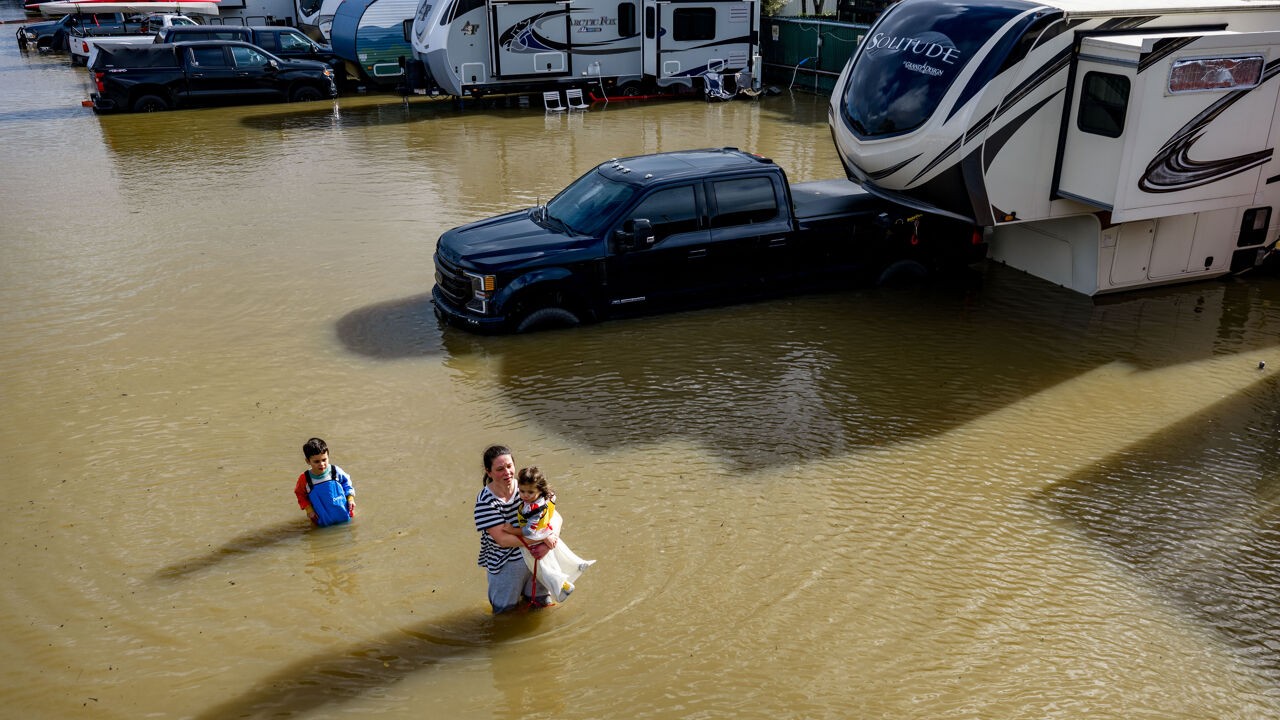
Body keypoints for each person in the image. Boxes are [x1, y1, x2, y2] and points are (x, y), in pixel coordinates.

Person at [474, 444, 559, 612]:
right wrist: (543, 538)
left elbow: (555, 516)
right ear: (488, 472)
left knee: (542, 607)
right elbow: (503, 540)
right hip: (506, 564)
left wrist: (550, 543)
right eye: (500, 469)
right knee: (505, 615)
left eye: (509, 466)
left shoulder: (528, 486)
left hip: (536, 556)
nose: (507, 472)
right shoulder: (485, 502)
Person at [514, 466, 594, 603]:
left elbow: (528, 531)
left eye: (530, 492)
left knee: (544, 568)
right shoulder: (544, 499)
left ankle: (563, 585)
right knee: (557, 552)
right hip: (546, 532)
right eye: (522, 491)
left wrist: (510, 530)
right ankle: (576, 564)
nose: (525, 495)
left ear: (540, 490)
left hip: (537, 537)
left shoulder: (535, 509)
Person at [293, 437, 355, 527]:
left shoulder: (335, 471)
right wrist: (309, 510)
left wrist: (350, 499)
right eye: (316, 461)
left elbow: (347, 484)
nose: (321, 464)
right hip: (321, 520)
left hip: (345, 516)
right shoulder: (305, 478)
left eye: (324, 460)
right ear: (308, 461)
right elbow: (300, 494)